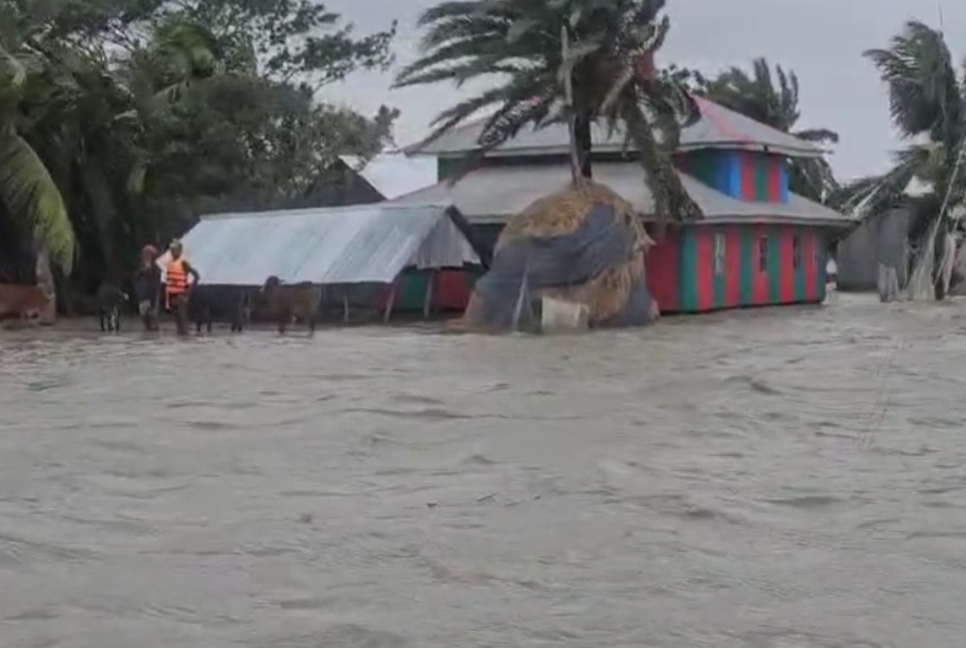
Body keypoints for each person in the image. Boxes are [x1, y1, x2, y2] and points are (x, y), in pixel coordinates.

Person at [164, 239, 200, 335]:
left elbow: (196, 276)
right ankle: (180, 343)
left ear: (179, 251)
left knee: (183, 323)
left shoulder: (183, 263)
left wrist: (187, 293)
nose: (172, 252)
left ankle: (185, 340)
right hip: (172, 297)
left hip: (180, 296)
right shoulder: (170, 263)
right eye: (171, 249)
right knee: (178, 324)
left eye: (175, 249)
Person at [133, 245, 162, 331]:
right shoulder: (141, 269)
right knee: (146, 319)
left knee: (153, 318)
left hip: (152, 296)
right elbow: (135, 279)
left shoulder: (156, 268)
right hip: (143, 296)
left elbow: (157, 280)